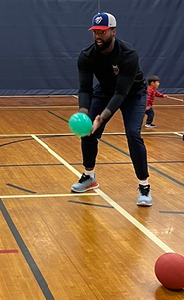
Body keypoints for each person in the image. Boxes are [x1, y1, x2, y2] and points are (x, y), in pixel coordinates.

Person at [71, 12, 153, 207]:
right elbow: (84, 88)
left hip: (132, 95)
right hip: (105, 92)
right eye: (95, 32)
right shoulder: (86, 56)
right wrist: (84, 111)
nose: (98, 36)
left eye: (102, 31)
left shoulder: (128, 55)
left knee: (133, 134)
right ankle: (89, 176)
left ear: (113, 32)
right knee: (88, 132)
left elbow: (121, 93)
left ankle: (144, 186)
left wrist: (102, 117)